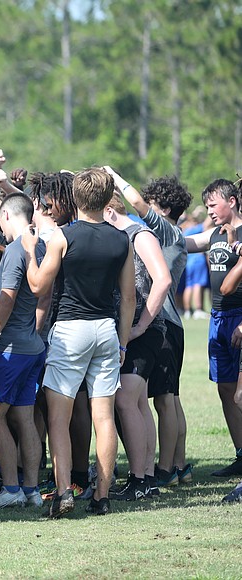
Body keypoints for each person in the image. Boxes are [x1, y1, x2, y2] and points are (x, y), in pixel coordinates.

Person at [23, 167, 135, 517]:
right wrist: (123, 342)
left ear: (75, 198)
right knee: (103, 418)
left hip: (70, 329)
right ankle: (101, 495)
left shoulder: (62, 236)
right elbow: (129, 298)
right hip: (105, 328)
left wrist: (30, 251)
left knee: (59, 418)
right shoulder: (121, 239)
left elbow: (39, 286)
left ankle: (63, 492)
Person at [108, 169, 192, 489]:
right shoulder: (173, 234)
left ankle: (165, 468)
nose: (144, 205)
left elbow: (137, 203)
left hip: (161, 323)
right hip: (162, 323)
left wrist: (113, 176)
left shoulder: (163, 231)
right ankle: (175, 465)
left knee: (164, 399)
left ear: (165, 209)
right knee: (160, 398)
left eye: (152, 202)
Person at [0, 193, 46, 510]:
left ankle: (11, 488)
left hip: (12, 348)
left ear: (5, 217)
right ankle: (31, 489)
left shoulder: (17, 249)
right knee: (24, 416)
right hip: (33, 345)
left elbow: (6, 296)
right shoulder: (41, 245)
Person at [103, 193, 170, 500]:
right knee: (138, 403)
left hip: (143, 331)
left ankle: (138, 478)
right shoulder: (122, 236)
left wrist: (141, 325)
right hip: (129, 330)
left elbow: (163, 280)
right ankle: (145, 479)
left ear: (108, 210)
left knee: (125, 401)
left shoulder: (139, 234)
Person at [185, 179, 242, 477]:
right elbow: (182, 243)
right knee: (224, 388)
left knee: (240, 394)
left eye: (213, 204)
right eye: (206, 206)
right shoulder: (214, 235)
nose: (209, 210)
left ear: (231, 201)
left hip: (239, 317)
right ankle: (240, 454)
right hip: (217, 318)